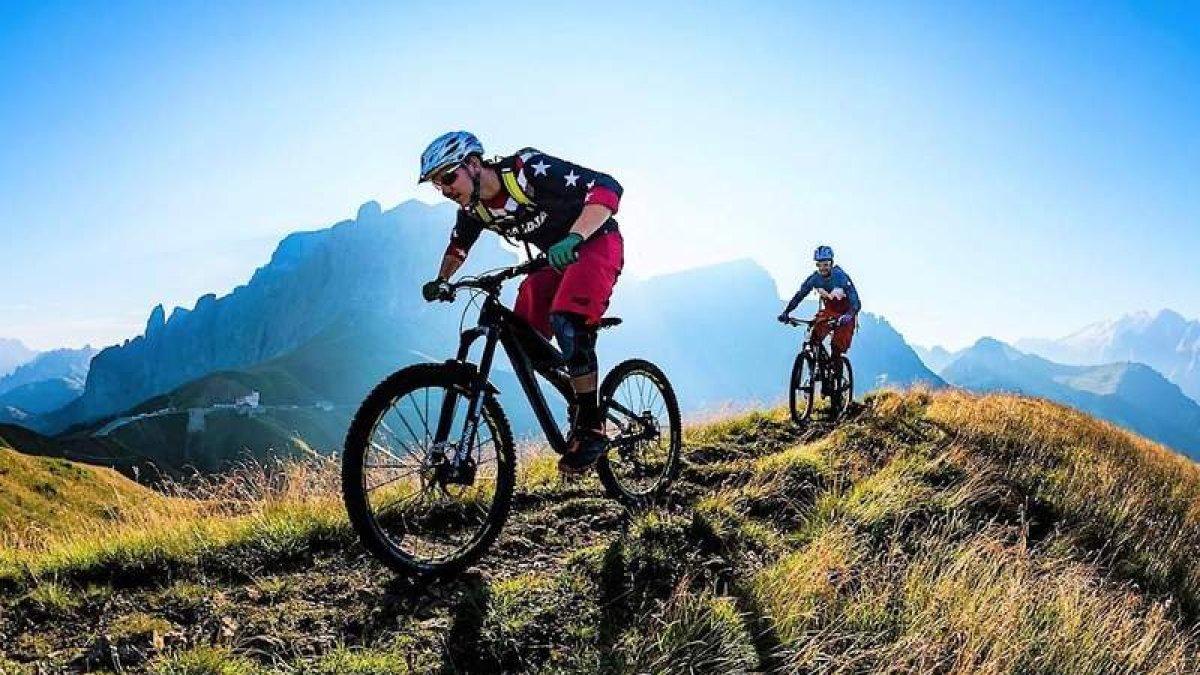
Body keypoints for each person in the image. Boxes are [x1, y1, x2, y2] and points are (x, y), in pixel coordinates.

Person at [418, 131, 624, 473]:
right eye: (437, 185)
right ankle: (577, 391)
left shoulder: (527, 170)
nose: (444, 189)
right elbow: (458, 247)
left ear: (473, 164)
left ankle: (591, 427)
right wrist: (442, 281)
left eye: (448, 177)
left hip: (595, 243)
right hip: (552, 261)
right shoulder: (474, 209)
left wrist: (574, 236)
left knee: (567, 319)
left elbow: (607, 186)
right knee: (526, 337)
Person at [778, 245, 862, 378]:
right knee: (813, 336)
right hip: (829, 312)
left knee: (836, 349)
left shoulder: (841, 277)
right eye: (820, 265)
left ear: (831, 263)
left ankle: (837, 389)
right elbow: (800, 295)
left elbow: (856, 302)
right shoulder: (814, 279)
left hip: (846, 314)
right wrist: (786, 312)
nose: (823, 268)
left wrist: (849, 315)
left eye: (826, 264)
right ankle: (816, 371)